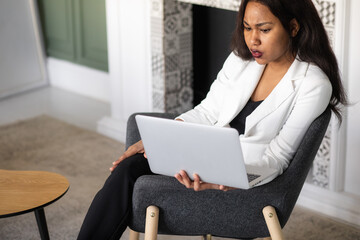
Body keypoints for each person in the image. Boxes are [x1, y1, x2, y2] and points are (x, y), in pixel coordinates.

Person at [77, 0, 347, 239]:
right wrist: (160, 138)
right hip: (203, 154)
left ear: (294, 27)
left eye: (264, 30)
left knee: (132, 175)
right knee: (131, 165)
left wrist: (225, 177)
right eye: (246, 27)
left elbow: (278, 158)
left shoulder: (313, 84)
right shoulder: (241, 61)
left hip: (243, 175)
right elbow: (207, 112)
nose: (253, 39)